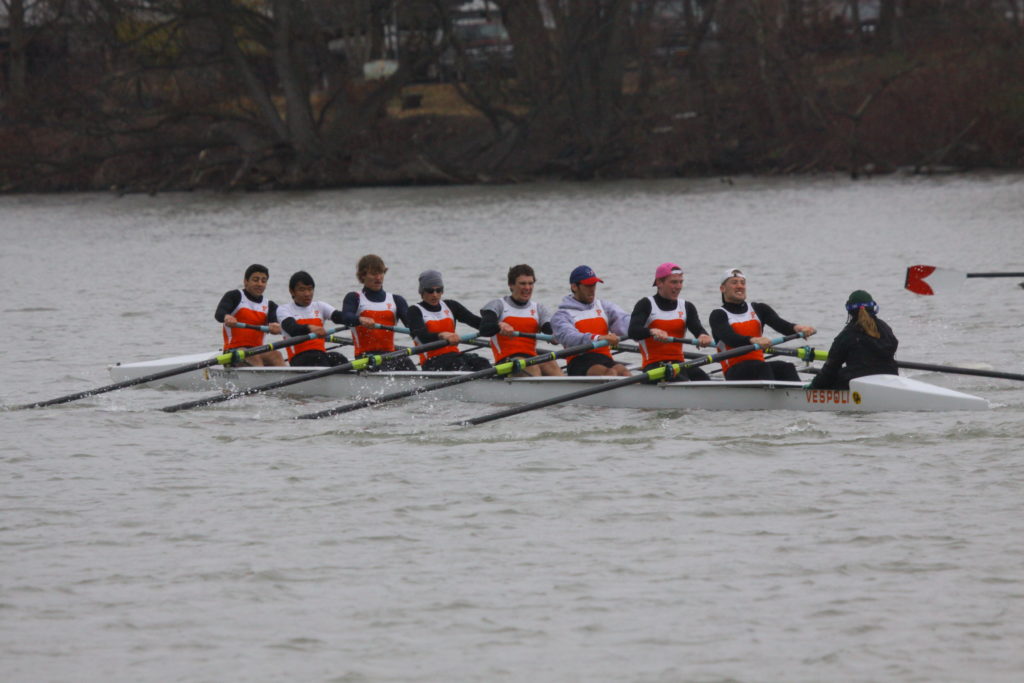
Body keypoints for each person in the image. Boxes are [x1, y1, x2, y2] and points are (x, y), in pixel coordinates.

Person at [708, 267, 816, 381]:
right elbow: (730, 339)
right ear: (723, 288)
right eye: (734, 283)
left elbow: (781, 325)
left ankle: (797, 397)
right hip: (734, 370)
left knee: (786, 367)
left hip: (759, 366)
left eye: (742, 283)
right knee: (763, 368)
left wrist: (797, 328)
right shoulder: (718, 315)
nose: (740, 286)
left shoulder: (759, 309)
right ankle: (769, 395)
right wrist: (753, 340)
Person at [628, 262, 714, 381]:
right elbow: (633, 331)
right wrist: (652, 331)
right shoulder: (646, 304)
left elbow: (698, 329)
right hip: (654, 365)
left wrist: (703, 336)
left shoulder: (687, 306)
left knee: (705, 380)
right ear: (659, 283)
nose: (678, 286)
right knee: (680, 379)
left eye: (680, 282)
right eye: (674, 282)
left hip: (679, 363)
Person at [479, 264, 562, 377]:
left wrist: (556, 336)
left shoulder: (538, 308)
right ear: (511, 285)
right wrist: (499, 325)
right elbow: (484, 328)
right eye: (522, 283)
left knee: (550, 363)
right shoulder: (498, 305)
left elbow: (549, 329)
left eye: (530, 283)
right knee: (531, 367)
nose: (527, 288)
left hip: (531, 357)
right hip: (506, 361)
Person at [808, 290, 899, 390]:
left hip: (857, 386)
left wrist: (814, 386)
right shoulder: (886, 329)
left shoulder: (847, 335)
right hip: (890, 379)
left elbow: (830, 369)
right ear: (873, 307)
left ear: (849, 310)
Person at [551, 265, 631, 377]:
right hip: (579, 362)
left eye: (594, 284)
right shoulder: (562, 315)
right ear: (574, 287)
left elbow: (625, 322)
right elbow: (569, 338)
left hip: (604, 358)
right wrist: (597, 338)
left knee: (624, 371)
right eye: (587, 285)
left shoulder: (604, 306)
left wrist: (646, 328)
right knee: (611, 373)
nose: (592, 289)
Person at [340, 254, 416, 371]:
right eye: (374, 273)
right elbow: (346, 317)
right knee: (384, 365)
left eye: (381, 273)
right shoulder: (354, 298)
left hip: (390, 355)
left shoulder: (396, 300)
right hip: (365, 357)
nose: (379, 277)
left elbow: (413, 326)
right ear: (363, 275)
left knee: (407, 363)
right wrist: (359, 319)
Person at [407, 270, 491, 371]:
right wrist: (441, 335)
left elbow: (476, 322)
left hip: (454, 356)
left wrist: (496, 324)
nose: (435, 294)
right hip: (431, 361)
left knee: (482, 363)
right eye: (430, 291)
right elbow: (421, 337)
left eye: (439, 290)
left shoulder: (451, 306)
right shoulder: (414, 311)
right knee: (460, 365)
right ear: (422, 292)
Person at [213, 263, 285, 367]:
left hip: (258, 350)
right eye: (255, 280)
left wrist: (277, 327)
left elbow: (278, 322)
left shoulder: (270, 305)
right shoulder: (234, 296)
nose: (260, 284)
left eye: (263, 281)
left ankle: (288, 380)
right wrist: (227, 317)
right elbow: (219, 314)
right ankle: (260, 379)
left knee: (276, 355)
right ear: (246, 281)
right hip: (233, 350)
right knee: (252, 355)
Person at [276, 270, 350, 367]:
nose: (307, 294)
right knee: (317, 358)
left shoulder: (320, 306)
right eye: (302, 290)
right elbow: (292, 328)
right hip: (299, 358)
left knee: (339, 358)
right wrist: (310, 328)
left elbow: (340, 317)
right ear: (292, 291)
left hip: (320, 355)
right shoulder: (284, 309)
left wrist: (359, 319)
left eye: (310, 289)